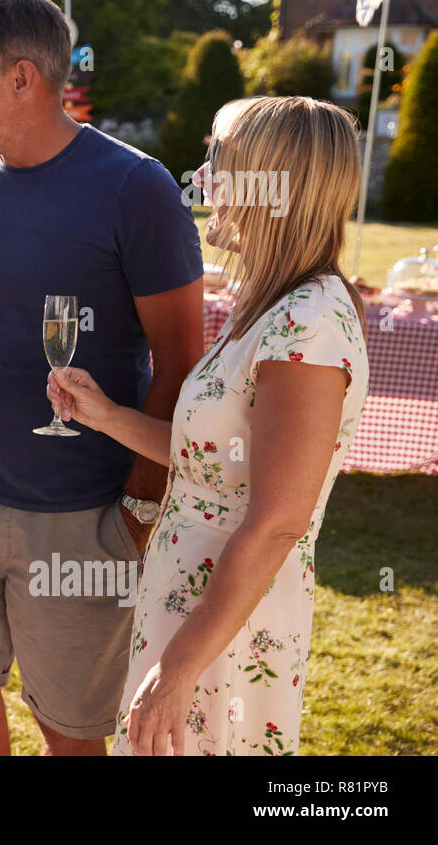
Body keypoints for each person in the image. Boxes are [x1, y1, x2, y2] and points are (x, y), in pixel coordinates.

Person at [0, 0, 204, 755]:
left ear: (23, 78)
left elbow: (182, 361)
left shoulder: (137, 188)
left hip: (81, 515)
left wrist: (137, 507)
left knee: (69, 732)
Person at [48, 96, 369, 756]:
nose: (200, 177)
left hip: (226, 630)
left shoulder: (306, 323)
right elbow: (214, 457)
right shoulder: (269, 304)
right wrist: (107, 416)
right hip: (187, 601)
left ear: (271, 181)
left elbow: (278, 518)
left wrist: (181, 666)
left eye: (217, 160)